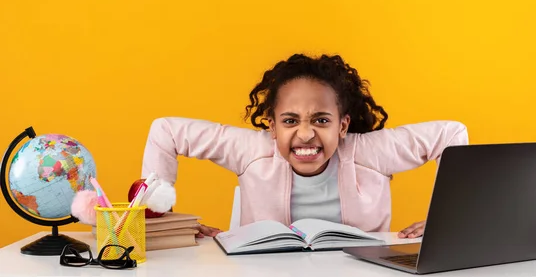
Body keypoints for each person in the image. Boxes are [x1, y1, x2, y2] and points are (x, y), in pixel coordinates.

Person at [140, 53, 468, 239]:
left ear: (343, 125)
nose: (306, 134)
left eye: (321, 120)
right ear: (272, 125)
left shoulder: (368, 152)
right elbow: (166, 131)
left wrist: (451, 215)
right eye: (290, 121)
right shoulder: (251, 149)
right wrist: (163, 218)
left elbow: (451, 134)